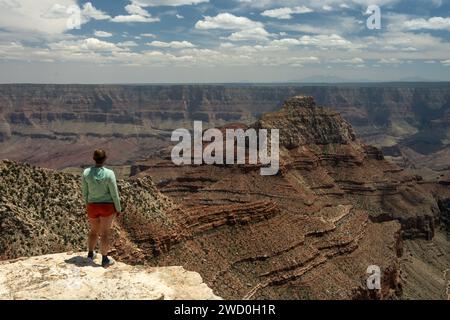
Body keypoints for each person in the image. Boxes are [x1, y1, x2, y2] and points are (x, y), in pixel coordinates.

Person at [81, 149, 121, 268]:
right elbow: (114, 193)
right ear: (104, 159)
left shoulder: (86, 173)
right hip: (107, 207)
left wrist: (87, 205)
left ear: (94, 158)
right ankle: (104, 259)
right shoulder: (109, 173)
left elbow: (85, 193)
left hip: (92, 206)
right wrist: (118, 208)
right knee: (105, 233)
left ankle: (90, 254)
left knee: (93, 231)